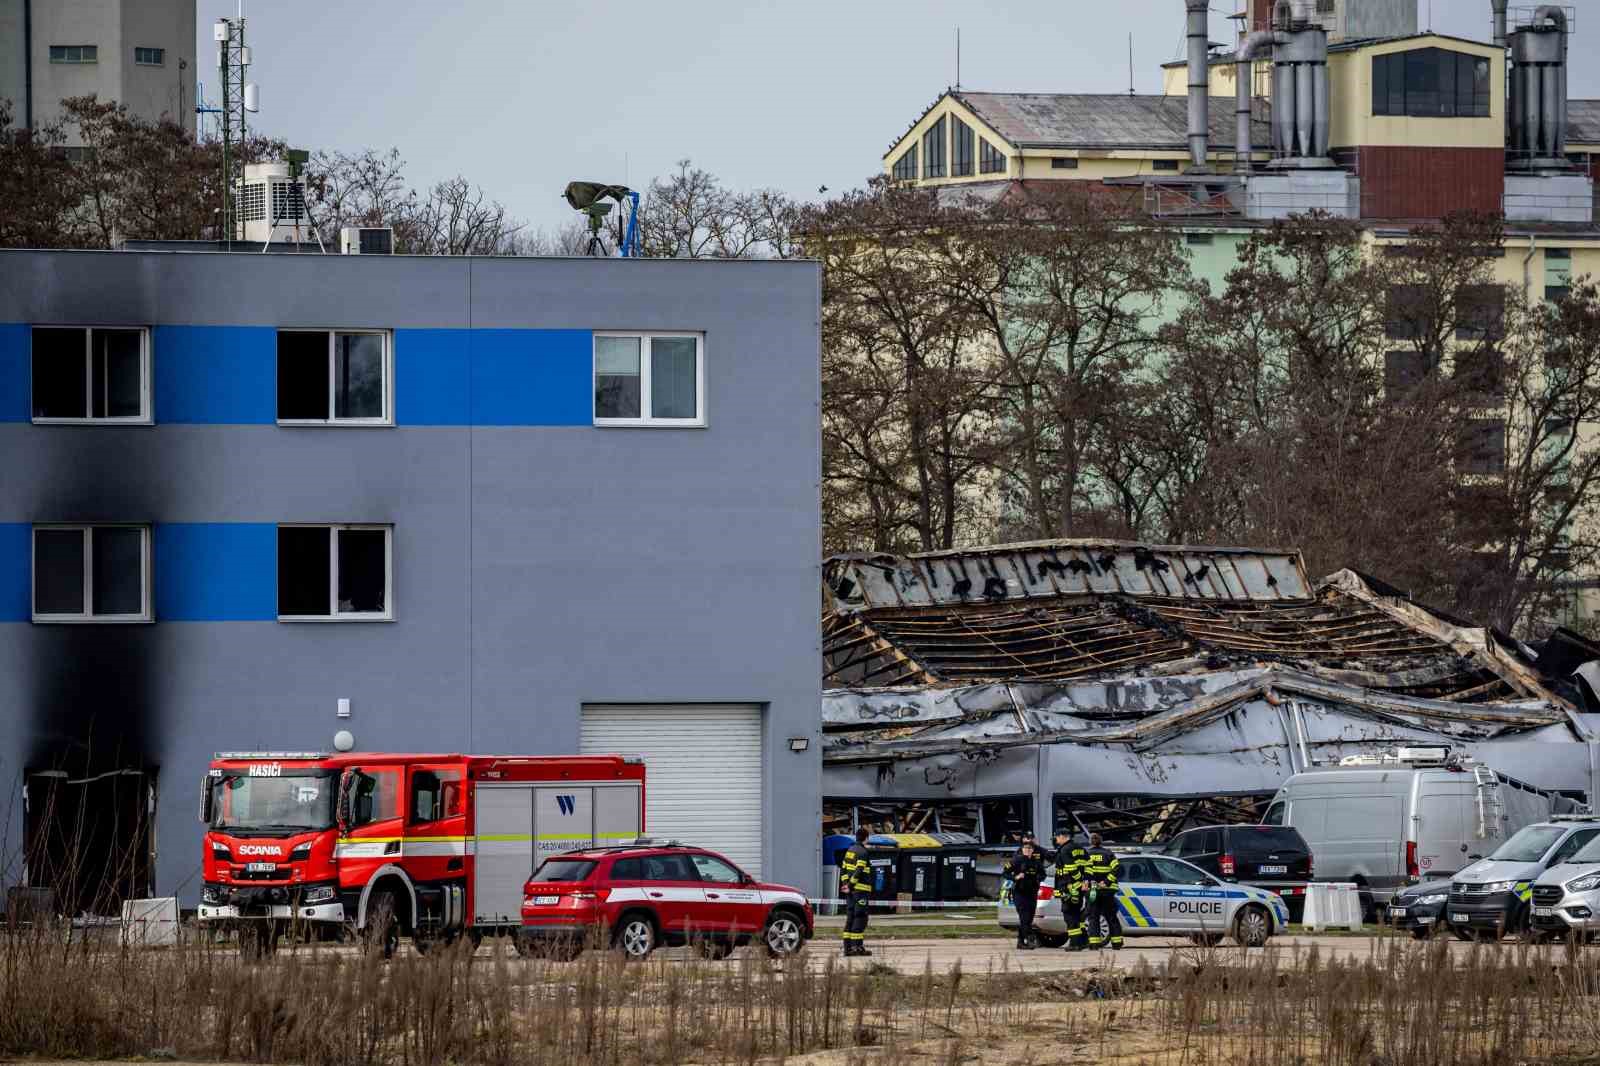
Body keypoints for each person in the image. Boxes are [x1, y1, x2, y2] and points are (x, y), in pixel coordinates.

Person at [1003, 839, 1047, 950]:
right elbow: (1005, 873)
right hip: (1019, 892)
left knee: (1029, 918)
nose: (1027, 850)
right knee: (1024, 917)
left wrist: (1038, 878)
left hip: (1032, 893)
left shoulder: (1036, 862)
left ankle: (1021, 942)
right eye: (1025, 848)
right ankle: (1029, 938)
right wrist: (1015, 877)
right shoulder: (1016, 860)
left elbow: (1043, 874)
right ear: (1022, 849)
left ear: (1033, 850)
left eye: (1030, 849)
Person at [1083, 833, 1123, 950]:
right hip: (1107, 891)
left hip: (1093, 890)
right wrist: (1106, 882)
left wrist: (1091, 883)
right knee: (1111, 916)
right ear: (1101, 841)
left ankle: (1094, 944)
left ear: (1091, 842)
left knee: (1093, 916)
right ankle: (1117, 943)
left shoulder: (1087, 854)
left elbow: (1085, 871)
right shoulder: (1108, 854)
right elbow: (1117, 869)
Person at [839, 827, 874, 957]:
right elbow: (859, 871)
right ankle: (857, 948)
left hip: (849, 892)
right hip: (860, 891)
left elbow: (843, 869)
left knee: (850, 917)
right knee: (860, 917)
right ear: (866, 838)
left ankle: (847, 948)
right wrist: (851, 885)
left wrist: (845, 885)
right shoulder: (863, 852)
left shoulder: (850, 851)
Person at [1053, 827, 1088, 951]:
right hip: (1079, 887)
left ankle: (1075, 943)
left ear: (1063, 836)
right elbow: (1088, 865)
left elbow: (1071, 868)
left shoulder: (1065, 849)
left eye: (1057, 837)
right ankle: (1083, 941)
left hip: (1069, 886)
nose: (1056, 840)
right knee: (1076, 914)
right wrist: (1084, 881)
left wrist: (1077, 880)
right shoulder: (1080, 848)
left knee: (1069, 915)